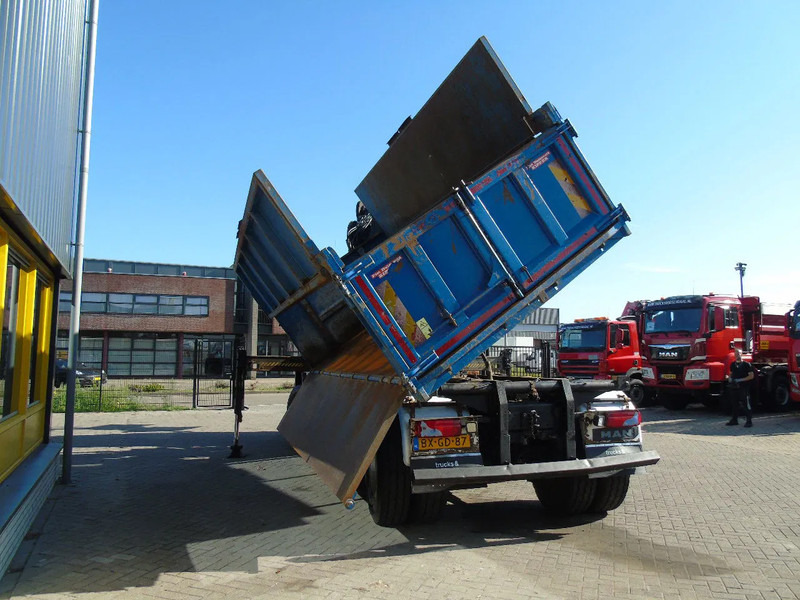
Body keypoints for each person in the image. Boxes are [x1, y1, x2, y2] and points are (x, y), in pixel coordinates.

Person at [726, 349, 754, 428]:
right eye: (736, 353)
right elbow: (731, 374)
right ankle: (734, 420)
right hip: (734, 387)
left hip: (743, 388)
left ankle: (749, 421)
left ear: (741, 354)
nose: (737, 355)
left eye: (738, 353)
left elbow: (751, 376)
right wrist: (730, 378)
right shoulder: (733, 365)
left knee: (746, 404)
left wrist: (740, 380)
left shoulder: (746, 365)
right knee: (734, 404)